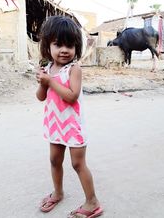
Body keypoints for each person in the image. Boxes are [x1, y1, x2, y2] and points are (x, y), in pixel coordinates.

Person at [36, 15, 103, 218]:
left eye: (70, 45)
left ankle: (93, 203)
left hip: (73, 125)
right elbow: (40, 97)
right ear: (48, 46)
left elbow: (71, 97)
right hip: (55, 125)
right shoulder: (47, 68)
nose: (64, 50)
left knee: (77, 164)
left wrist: (50, 81)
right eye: (58, 44)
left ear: (76, 48)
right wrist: (42, 82)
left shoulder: (74, 69)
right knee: (54, 160)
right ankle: (58, 192)